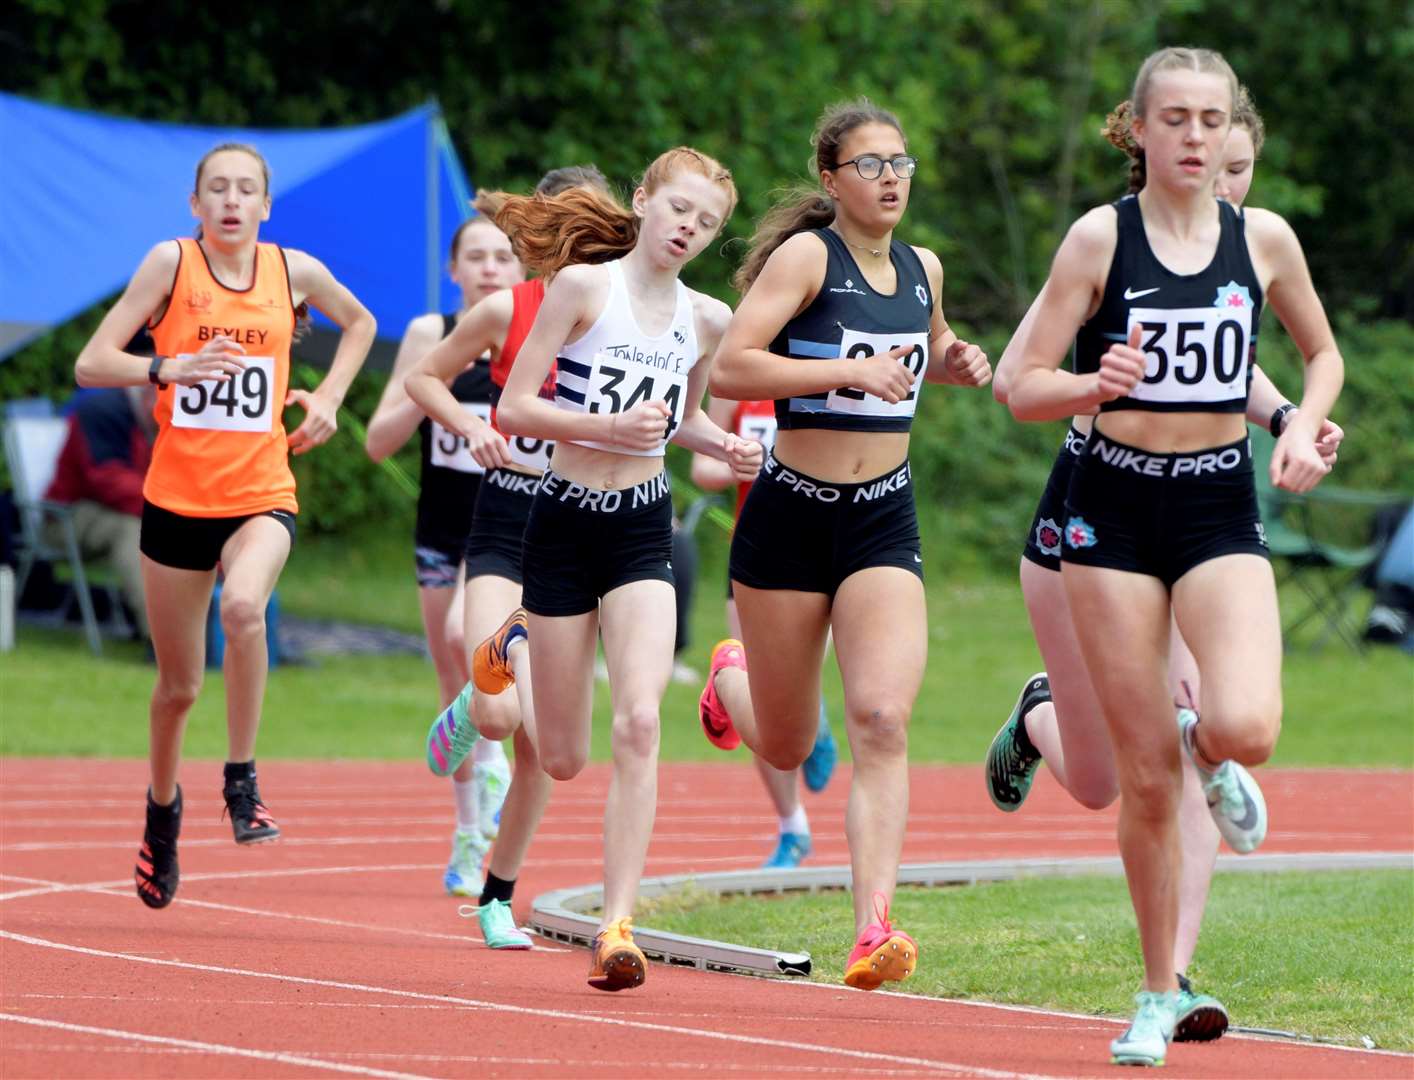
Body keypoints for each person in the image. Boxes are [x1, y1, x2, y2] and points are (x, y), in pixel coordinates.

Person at [1003, 49, 1343, 1067]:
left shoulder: (1263, 240)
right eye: (1177, 120)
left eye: (1212, 120)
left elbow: (1320, 355)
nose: (1196, 138)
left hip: (1211, 508)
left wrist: (1299, 427)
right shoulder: (1099, 239)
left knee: (1246, 725)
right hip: (1108, 515)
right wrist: (1087, 384)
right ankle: (1157, 991)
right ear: (1140, 130)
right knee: (1144, 779)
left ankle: (1207, 752)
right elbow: (1020, 383)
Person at [699, 99, 992, 990]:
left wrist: (956, 359)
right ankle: (730, 679)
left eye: (900, 162)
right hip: (788, 514)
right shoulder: (804, 257)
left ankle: (873, 926)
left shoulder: (923, 267)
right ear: (832, 180)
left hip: (881, 515)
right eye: (870, 165)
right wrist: (842, 370)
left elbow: (924, 348)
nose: (891, 177)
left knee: (881, 719)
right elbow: (730, 367)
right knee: (788, 746)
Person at [474, 149, 759, 990]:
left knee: (638, 722)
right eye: (677, 209)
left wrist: (727, 445)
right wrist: (605, 428)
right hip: (560, 522)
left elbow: (686, 419)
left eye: (705, 223)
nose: (687, 229)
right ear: (642, 200)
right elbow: (515, 407)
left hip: (642, 530)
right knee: (560, 757)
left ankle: (616, 925)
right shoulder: (581, 291)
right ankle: (511, 648)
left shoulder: (706, 318)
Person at [74, 142, 376, 909]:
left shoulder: (292, 272)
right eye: (218, 189)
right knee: (177, 686)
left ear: (266, 206)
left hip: (261, 490)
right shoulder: (170, 265)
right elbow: (91, 361)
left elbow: (362, 321)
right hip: (176, 499)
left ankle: (241, 780)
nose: (233, 201)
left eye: (247, 190)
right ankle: (162, 809)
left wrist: (332, 398)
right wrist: (162, 368)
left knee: (243, 609)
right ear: (196, 203)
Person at [406, 165, 618, 949]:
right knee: (497, 714)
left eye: (594, 225)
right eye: (565, 225)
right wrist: (470, 429)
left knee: (544, 749)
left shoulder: (629, 313)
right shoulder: (506, 309)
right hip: (503, 524)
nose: (580, 241)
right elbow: (425, 379)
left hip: (580, 531)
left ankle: (497, 896)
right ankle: (469, 705)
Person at [365, 215, 522, 896]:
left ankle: (495, 762)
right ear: (453, 271)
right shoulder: (432, 336)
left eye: (504, 257)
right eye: (477, 257)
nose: (490, 268)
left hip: (508, 526)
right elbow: (376, 441)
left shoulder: (537, 332)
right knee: (450, 675)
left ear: (524, 270)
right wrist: (436, 400)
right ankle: (467, 833)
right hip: (443, 526)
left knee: (469, 637)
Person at [690, 395, 838, 868]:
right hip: (757, 553)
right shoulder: (739, 375)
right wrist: (745, 463)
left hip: (831, 544)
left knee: (801, 676)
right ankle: (792, 826)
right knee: (761, 690)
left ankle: (815, 715)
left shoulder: (836, 359)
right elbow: (702, 470)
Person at [44, 373, 156, 645]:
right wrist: (169, 510)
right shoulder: (102, 412)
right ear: (151, 393)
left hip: (130, 508)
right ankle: (161, 638)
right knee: (133, 531)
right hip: (66, 517)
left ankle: (211, 627)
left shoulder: (158, 418)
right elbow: (107, 480)